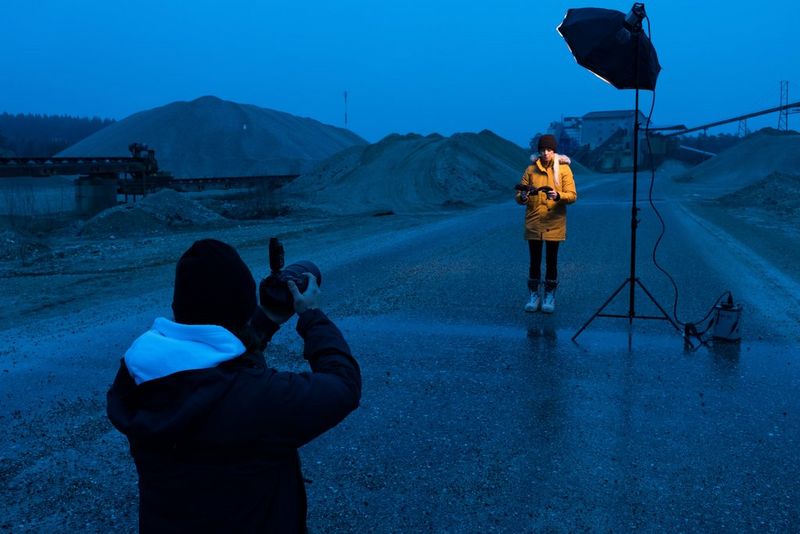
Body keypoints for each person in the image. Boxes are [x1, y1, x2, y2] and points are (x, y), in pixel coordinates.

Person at [106, 238, 361, 533]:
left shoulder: (140, 375)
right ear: (243, 309)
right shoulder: (258, 398)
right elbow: (344, 384)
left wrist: (265, 321)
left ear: (179, 306)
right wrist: (312, 315)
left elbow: (214, 361)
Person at [515, 134, 577, 313]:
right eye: (542, 150)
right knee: (534, 262)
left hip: (554, 222)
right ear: (539, 151)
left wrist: (558, 196)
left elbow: (572, 195)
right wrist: (523, 196)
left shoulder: (564, 169)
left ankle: (549, 296)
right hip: (534, 221)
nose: (545, 153)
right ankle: (534, 296)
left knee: (551, 261)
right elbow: (519, 196)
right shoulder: (530, 169)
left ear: (554, 151)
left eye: (549, 150)